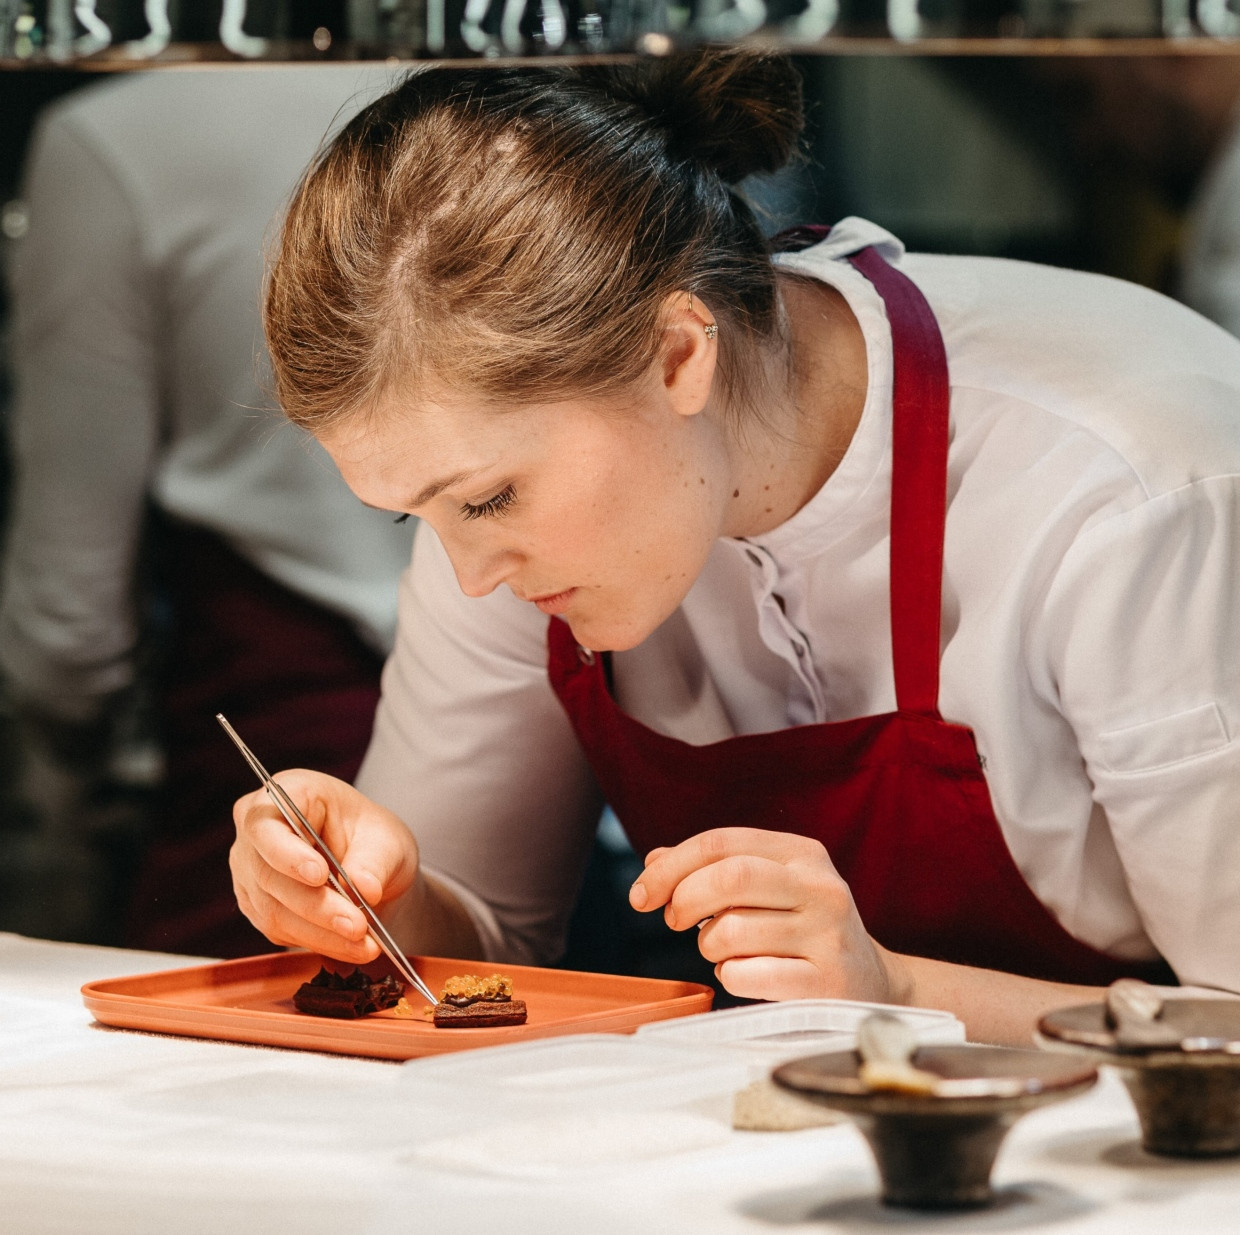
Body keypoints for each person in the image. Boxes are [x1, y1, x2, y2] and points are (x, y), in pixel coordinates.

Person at [230, 52, 1240, 1044]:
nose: (471, 574)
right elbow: (481, 945)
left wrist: (891, 986)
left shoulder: (1130, 487)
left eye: (490, 497)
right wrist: (374, 898)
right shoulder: (498, 516)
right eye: (418, 514)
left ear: (678, 354)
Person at [0, 66, 414, 954]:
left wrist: (66, 783)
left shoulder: (113, 140)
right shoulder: (502, 86)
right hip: (309, 769)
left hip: (276, 708)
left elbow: (70, 611)